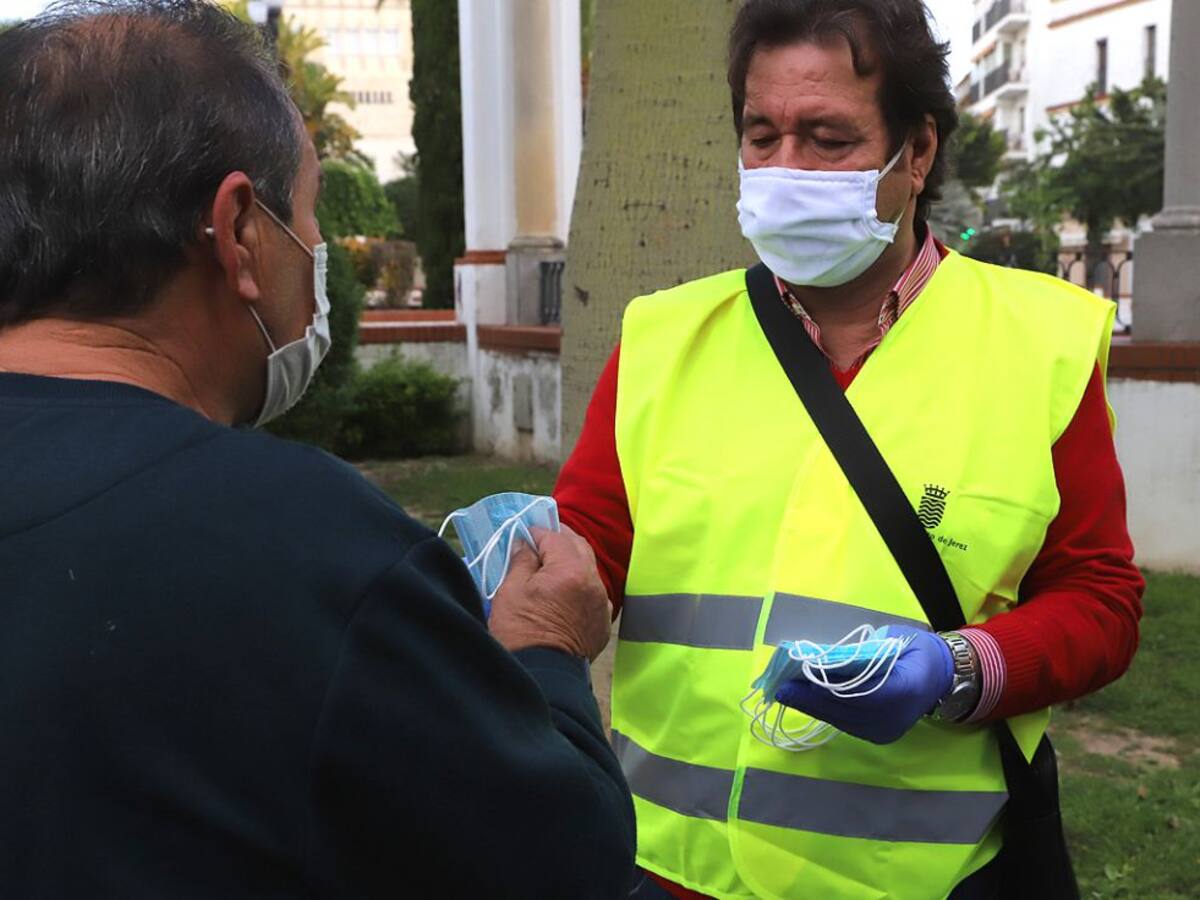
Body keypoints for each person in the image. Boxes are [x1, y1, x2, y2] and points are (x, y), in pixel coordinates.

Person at [0, 3, 634, 897]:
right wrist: (542, 655)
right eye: (309, 213)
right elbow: (563, 863)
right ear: (239, 233)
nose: (321, 252)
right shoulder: (307, 548)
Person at [554, 1, 1144, 897]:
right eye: (762, 134)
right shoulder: (663, 339)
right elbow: (584, 553)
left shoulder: (1039, 346)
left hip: (918, 879)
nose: (785, 169)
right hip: (672, 870)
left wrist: (963, 668)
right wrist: (522, 560)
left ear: (917, 154)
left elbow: (1101, 600)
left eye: (828, 139)